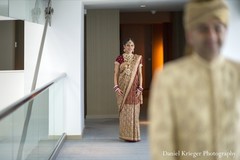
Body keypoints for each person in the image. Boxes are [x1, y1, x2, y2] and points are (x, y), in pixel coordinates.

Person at [148, 0, 240, 159]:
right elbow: (162, 145)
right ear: (189, 35)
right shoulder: (169, 78)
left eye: (218, 28)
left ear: (226, 31)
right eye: (203, 29)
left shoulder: (236, 73)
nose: (211, 36)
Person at [113, 38, 143, 142]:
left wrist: (140, 87)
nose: (130, 47)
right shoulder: (119, 58)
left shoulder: (137, 58)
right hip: (122, 88)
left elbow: (140, 74)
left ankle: (134, 136)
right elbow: (116, 73)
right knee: (125, 111)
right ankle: (126, 135)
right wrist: (116, 86)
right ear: (124, 47)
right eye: (128, 45)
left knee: (134, 111)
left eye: (132, 45)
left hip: (134, 87)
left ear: (134, 48)